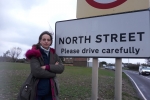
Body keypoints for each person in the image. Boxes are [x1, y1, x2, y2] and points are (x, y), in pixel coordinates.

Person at [17, 31, 64, 100]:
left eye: (48, 40)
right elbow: (37, 72)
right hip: (37, 91)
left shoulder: (54, 54)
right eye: (44, 39)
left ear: (51, 42)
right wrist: (54, 71)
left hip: (51, 91)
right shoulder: (35, 53)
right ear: (40, 41)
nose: (46, 41)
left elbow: (61, 68)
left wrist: (47, 67)